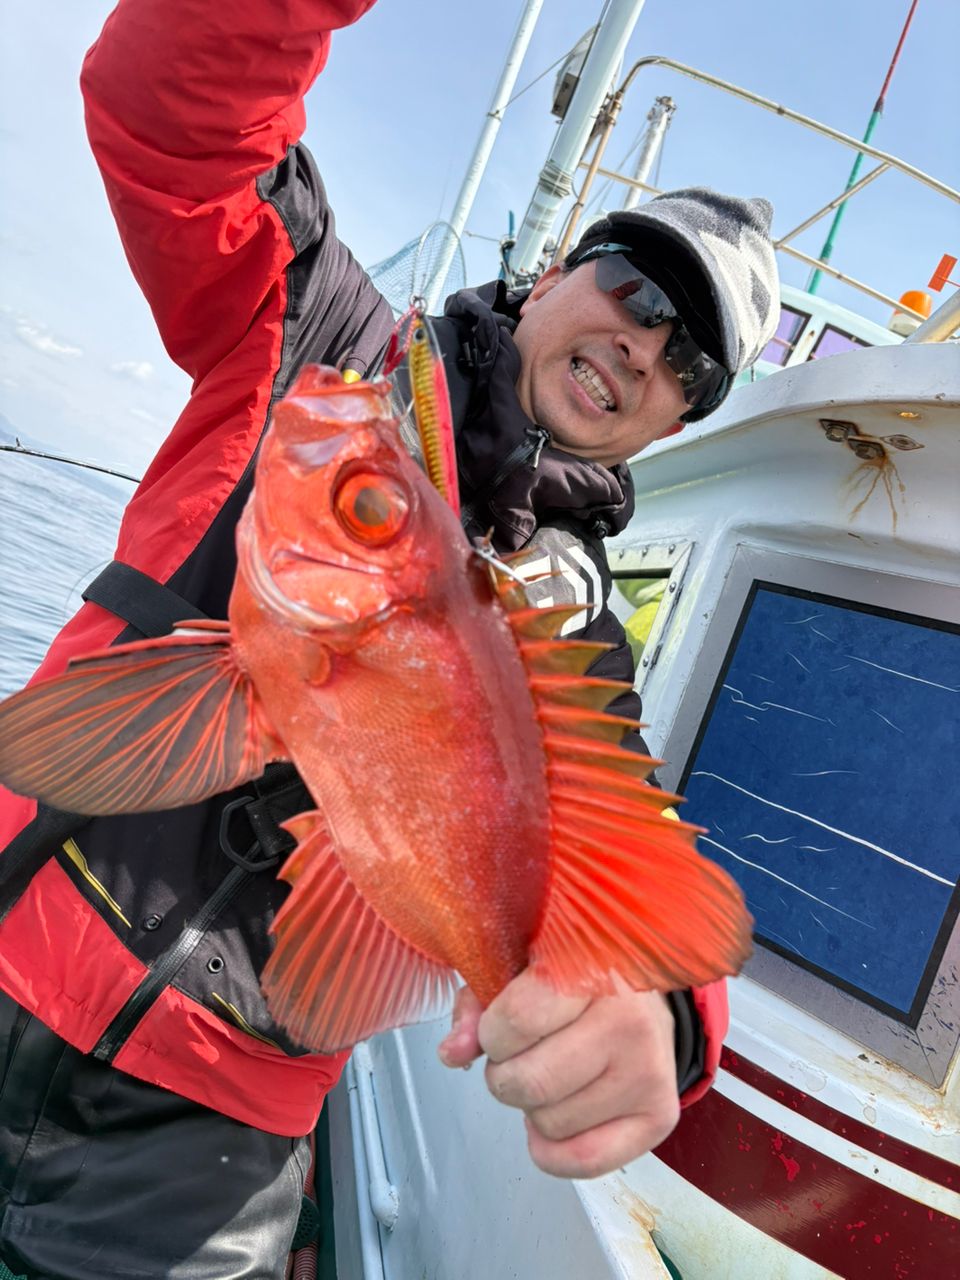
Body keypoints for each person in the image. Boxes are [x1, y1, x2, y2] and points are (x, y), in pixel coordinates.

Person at [0, 1, 779, 1276]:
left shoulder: (575, 630)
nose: (646, 344)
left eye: (689, 362)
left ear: (674, 421)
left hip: (211, 1129)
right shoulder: (328, 340)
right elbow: (166, 105)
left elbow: (627, 837)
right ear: (557, 273)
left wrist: (665, 1014)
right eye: (635, 287)